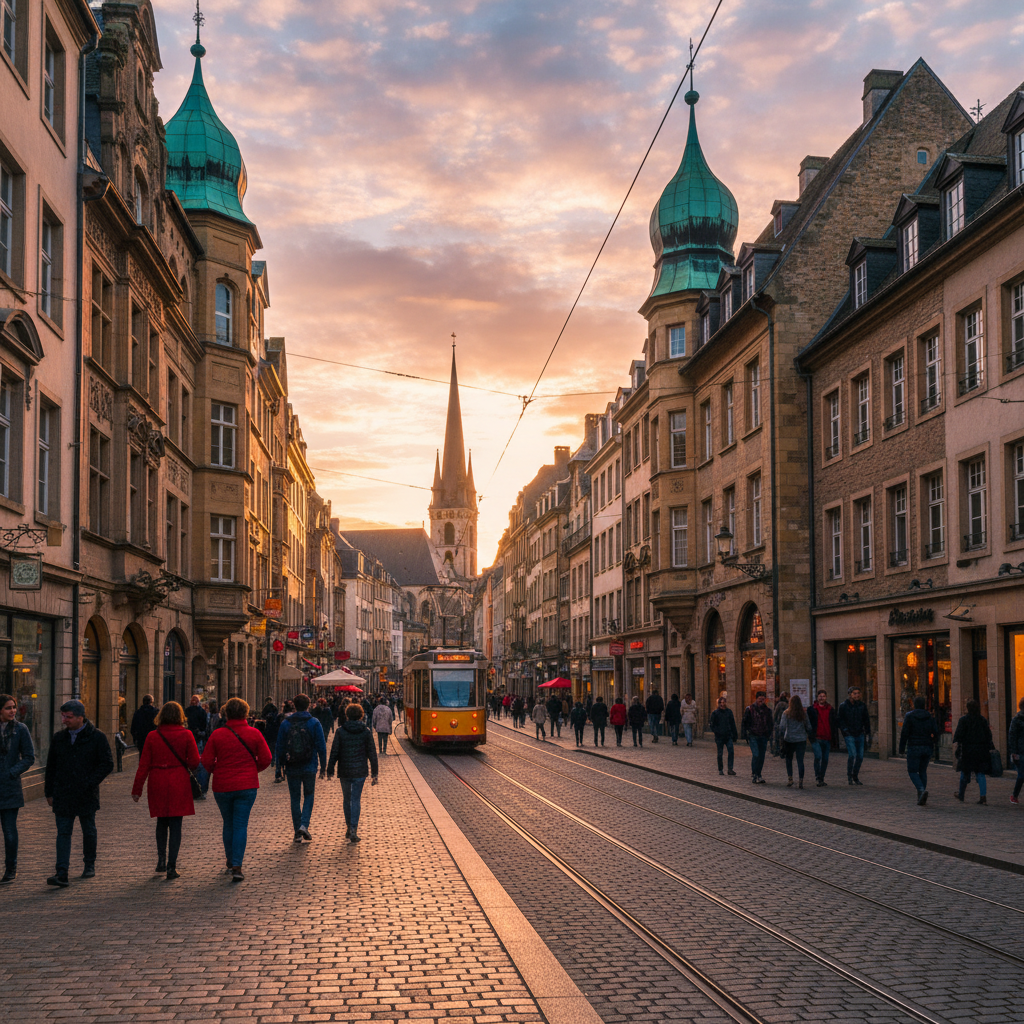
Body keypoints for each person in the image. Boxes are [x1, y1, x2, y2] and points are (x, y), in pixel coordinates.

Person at [43, 700, 114, 888]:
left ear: (80, 717)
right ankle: (61, 872)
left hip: (85, 793)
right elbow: (51, 767)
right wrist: (49, 792)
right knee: (63, 832)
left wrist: (90, 782)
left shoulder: (97, 737)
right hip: (63, 792)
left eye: (69, 717)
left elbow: (107, 763)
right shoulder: (59, 738)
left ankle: (89, 863)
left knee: (88, 829)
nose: (64, 720)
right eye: (63, 716)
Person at [201, 697, 272, 881]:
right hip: (247, 785)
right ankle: (237, 865)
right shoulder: (254, 733)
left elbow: (206, 761)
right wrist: (253, 769)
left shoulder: (217, 734)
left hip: (223, 785)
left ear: (226, 713)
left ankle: (230, 859)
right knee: (240, 824)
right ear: (246, 713)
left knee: (228, 823)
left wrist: (218, 770)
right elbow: (266, 758)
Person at [131, 701, 200, 879]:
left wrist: (137, 788)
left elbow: (143, 765)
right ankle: (172, 865)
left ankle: (161, 859)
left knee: (161, 821)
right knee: (176, 824)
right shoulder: (186, 734)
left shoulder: (153, 736)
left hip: (158, 780)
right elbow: (194, 762)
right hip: (178, 780)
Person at [275, 694, 328, 843]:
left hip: (292, 766)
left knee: (295, 798)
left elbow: (279, 747)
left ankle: (297, 831)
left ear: (294, 706)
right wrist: (323, 766)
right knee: (309, 795)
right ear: (309, 705)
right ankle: (304, 824)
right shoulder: (314, 722)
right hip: (309, 765)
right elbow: (321, 746)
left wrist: (279, 768)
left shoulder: (286, 723)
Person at [327, 703, 379, 842]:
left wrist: (330, 769)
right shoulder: (366, 731)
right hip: (360, 770)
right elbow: (372, 753)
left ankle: (348, 825)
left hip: (344, 770)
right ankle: (353, 829)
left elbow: (334, 752)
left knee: (346, 799)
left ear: (347, 715)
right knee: (356, 800)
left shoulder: (340, 731)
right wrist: (375, 773)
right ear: (361, 715)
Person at [0, 693, 34, 883]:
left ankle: (11, 868)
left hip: (10, 787)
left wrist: (12, 772)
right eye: (8, 707)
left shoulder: (21, 729)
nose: (13, 710)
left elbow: (29, 757)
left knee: (9, 831)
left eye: (13, 707)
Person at [898, 696, 939, 806]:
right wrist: (934, 743)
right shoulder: (929, 716)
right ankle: (921, 794)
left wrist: (901, 748)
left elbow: (905, 733)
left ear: (914, 705)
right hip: (927, 746)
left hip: (914, 746)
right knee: (922, 771)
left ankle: (921, 790)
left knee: (912, 771)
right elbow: (935, 731)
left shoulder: (909, 716)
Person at [953, 699, 994, 805]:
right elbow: (988, 735)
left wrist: (958, 743)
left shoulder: (964, 720)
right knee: (980, 773)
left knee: (965, 772)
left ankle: (961, 794)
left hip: (968, 750)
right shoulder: (982, 720)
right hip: (981, 750)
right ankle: (983, 796)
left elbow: (958, 735)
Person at [837, 686, 872, 785]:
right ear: (850, 694)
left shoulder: (862, 705)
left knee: (860, 756)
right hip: (849, 734)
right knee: (852, 754)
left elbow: (866, 719)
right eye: (855, 693)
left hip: (860, 733)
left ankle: (855, 775)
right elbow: (840, 720)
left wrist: (867, 732)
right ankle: (849, 774)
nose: (857, 695)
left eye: (858, 693)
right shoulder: (843, 706)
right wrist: (845, 731)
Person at [778, 695, 812, 788]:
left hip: (789, 739)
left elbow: (782, 727)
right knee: (800, 760)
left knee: (789, 759)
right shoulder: (803, 714)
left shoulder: (786, 713)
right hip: (801, 739)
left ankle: (790, 778)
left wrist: (781, 737)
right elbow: (808, 726)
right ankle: (801, 780)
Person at [741, 691, 772, 784]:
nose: (761, 701)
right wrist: (745, 734)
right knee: (756, 754)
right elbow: (744, 722)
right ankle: (754, 773)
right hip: (753, 735)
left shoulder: (767, 710)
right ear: (756, 699)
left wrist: (769, 734)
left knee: (761, 756)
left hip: (763, 735)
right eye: (760, 699)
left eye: (763, 699)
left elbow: (770, 723)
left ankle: (758, 774)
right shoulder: (750, 709)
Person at [807, 690, 836, 787]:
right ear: (817, 697)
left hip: (827, 737)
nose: (822, 698)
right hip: (816, 737)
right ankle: (817, 777)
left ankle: (821, 777)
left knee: (825, 759)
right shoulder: (812, 709)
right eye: (820, 696)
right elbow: (808, 723)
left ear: (826, 697)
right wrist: (810, 735)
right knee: (818, 756)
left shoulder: (830, 709)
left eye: (823, 696)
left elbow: (833, 723)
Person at [709, 695, 738, 775]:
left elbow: (732, 723)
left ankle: (730, 769)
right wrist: (716, 732)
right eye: (720, 703)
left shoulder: (729, 712)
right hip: (719, 736)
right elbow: (712, 724)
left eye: (723, 702)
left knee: (731, 751)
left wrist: (734, 735)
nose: (722, 704)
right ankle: (720, 769)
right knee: (720, 753)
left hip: (728, 735)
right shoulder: (715, 713)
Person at [1009, 697, 1024, 805]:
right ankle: (1014, 795)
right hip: (1021, 751)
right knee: (1021, 775)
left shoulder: (1017, 719)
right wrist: (1014, 751)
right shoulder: (1017, 719)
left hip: (1020, 749)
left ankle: (1014, 795)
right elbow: (1012, 736)